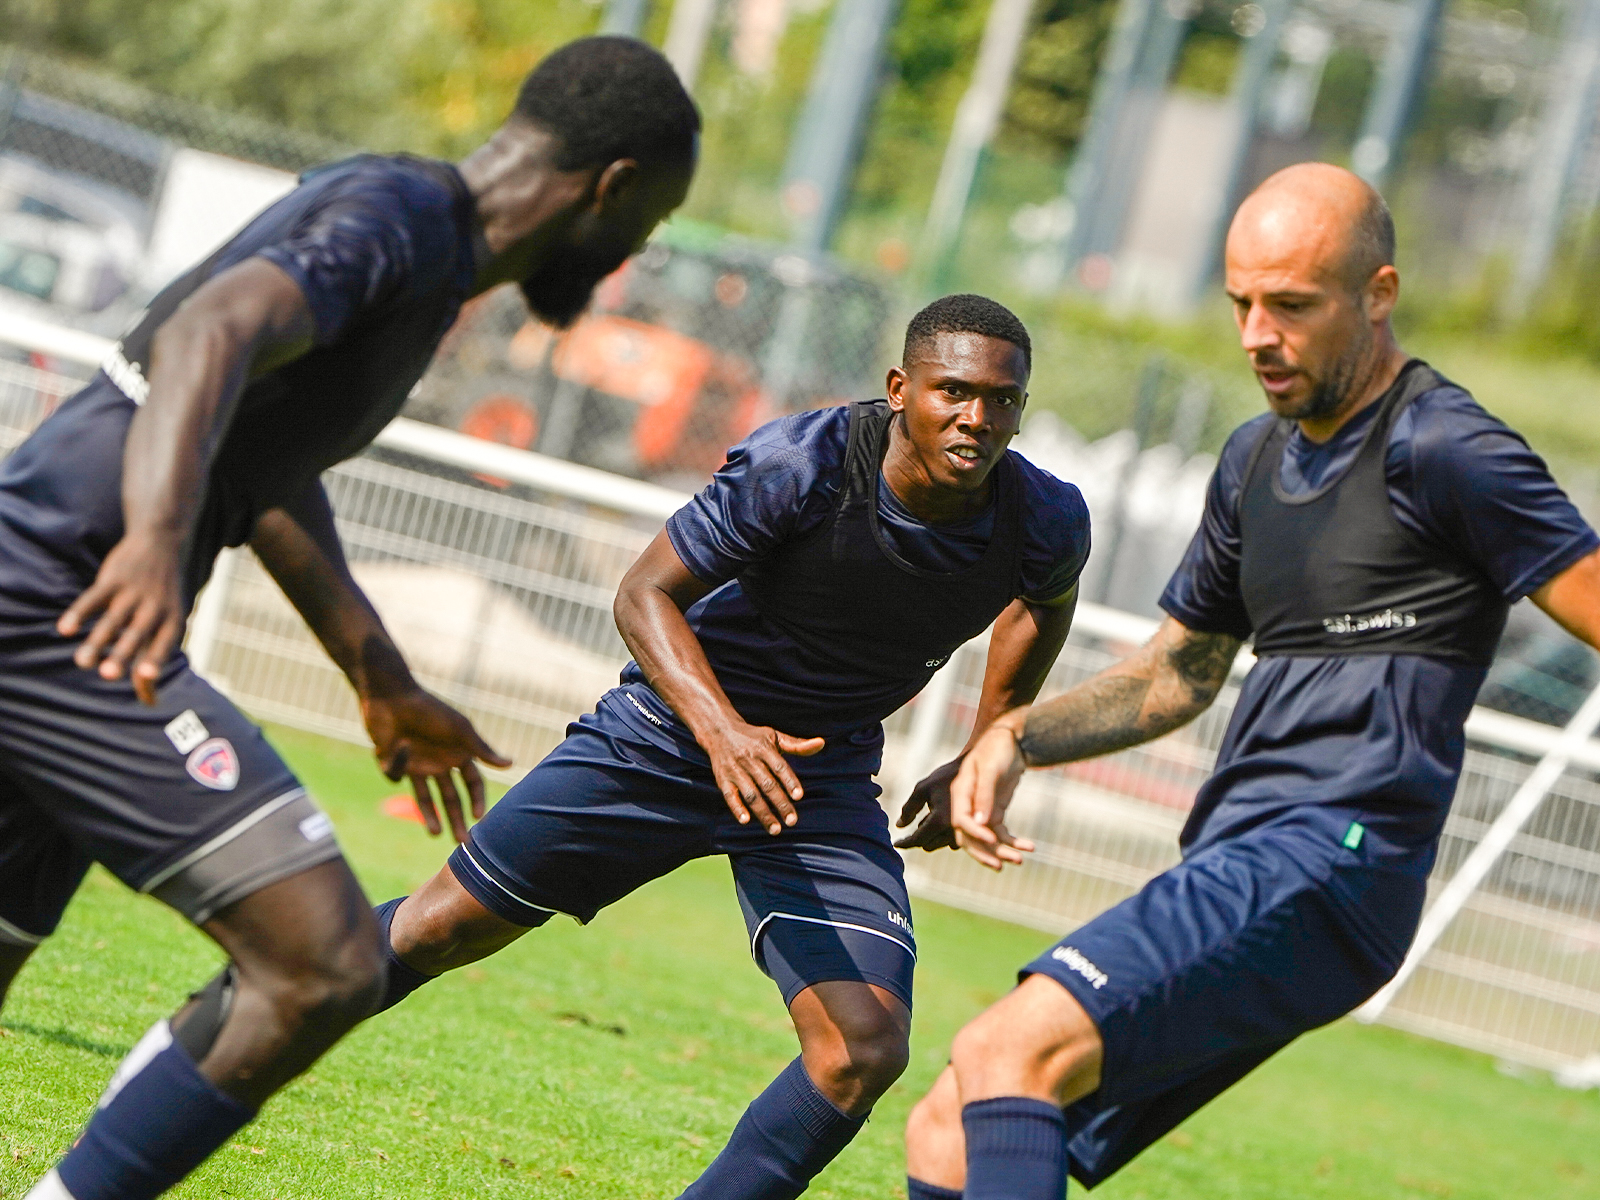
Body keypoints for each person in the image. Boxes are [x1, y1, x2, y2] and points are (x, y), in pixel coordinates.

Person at [7, 36, 699, 1200]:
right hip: (64, 611)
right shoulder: (404, 219)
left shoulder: (420, 246)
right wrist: (143, 539)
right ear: (610, 185)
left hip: (58, 599)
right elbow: (207, 334)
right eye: (650, 223)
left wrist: (374, 671)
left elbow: (265, 466)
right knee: (324, 961)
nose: (635, 254)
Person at [898, 163, 1600, 1200]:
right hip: (1240, 854)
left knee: (1011, 1053)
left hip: (1332, 856)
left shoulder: (1449, 448)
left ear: (1377, 295)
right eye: (1240, 303)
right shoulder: (1250, 462)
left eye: (1292, 305)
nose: (1257, 334)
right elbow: (1177, 674)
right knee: (951, 1123)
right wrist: (1014, 736)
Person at [359, 294, 1090, 1199]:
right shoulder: (804, 463)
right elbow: (642, 595)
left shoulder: (1045, 517)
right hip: (667, 739)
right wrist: (724, 733)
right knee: (436, 931)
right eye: (953, 392)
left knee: (861, 1051)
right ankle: (232, 1026)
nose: (978, 418)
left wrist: (988, 746)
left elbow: (1042, 601)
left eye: (1002, 399)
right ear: (901, 388)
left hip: (815, 785)